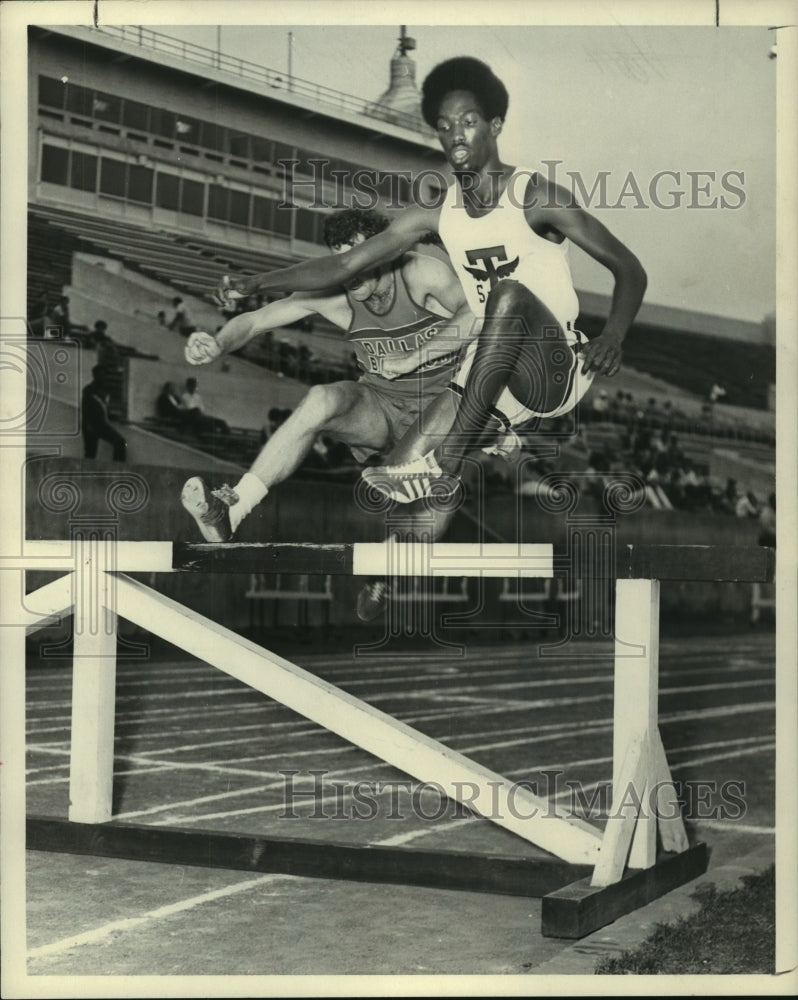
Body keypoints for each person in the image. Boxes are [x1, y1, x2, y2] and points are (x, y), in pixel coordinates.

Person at [211, 56, 647, 505]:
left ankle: (448, 462)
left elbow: (629, 267)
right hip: (485, 373)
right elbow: (345, 267)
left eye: (469, 121)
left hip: (550, 366)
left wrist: (613, 334)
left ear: (495, 126)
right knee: (393, 481)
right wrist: (257, 283)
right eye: (444, 124)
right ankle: (266, 524)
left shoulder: (536, 197)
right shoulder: (437, 212)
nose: (456, 133)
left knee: (508, 295)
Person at [180, 207, 477, 620]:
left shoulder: (423, 273)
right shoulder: (331, 294)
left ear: (384, 251)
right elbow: (255, 320)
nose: (349, 271)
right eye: (339, 258)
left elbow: (477, 316)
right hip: (381, 406)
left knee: (440, 490)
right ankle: (232, 510)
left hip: (446, 405)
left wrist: (415, 358)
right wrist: (218, 343)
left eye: (355, 256)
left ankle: (389, 573)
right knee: (321, 398)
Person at [81, 365, 127, 462]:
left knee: (120, 442)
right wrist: (88, 426)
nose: (104, 377)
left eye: (105, 375)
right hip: (90, 425)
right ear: (95, 376)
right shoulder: (88, 390)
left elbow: (105, 410)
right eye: (101, 375)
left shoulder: (105, 391)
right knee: (90, 454)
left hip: (101, 424)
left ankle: (117, 469)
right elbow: (85, 409)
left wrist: (116, 417)